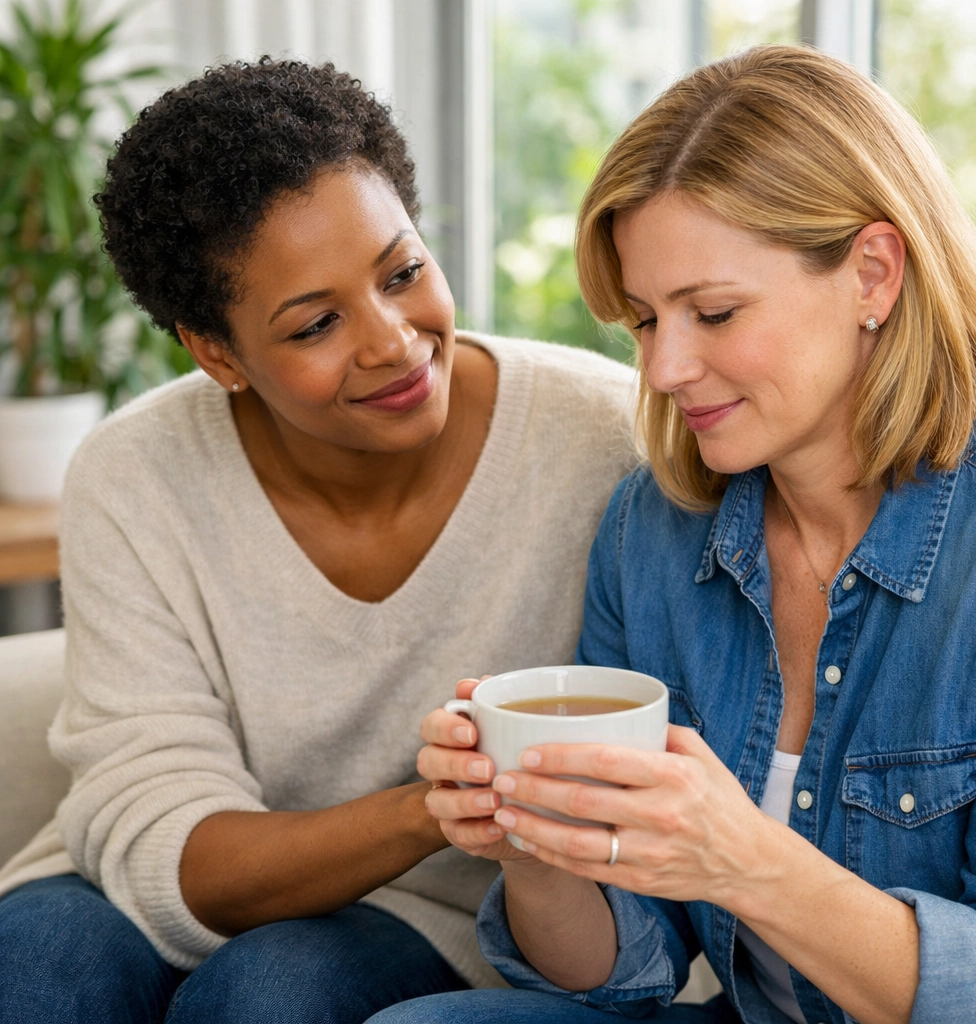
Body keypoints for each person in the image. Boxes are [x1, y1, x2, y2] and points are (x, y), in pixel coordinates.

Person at [388, 44, 976, 1024]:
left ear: (871, 273)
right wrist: (528, 843)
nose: (666, 366)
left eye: (713, 311)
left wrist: (745, 860)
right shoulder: (653, 533)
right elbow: (626, 967)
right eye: (643, 321)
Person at [0, 60, 637, 1023]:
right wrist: (430, 807)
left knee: (271, 994)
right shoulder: (134, 476)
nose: (391, 340)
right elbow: (167, 837)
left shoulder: (602, 438)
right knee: (33, 967)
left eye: (404, 273)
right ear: (218, 353)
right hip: (157, 885)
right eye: (317, 324)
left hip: (438, 914)